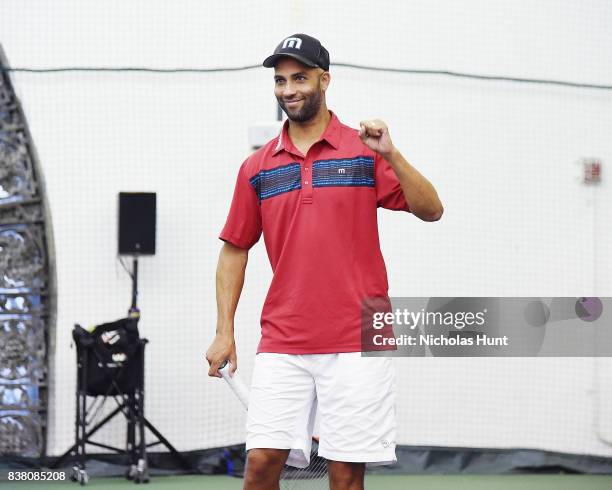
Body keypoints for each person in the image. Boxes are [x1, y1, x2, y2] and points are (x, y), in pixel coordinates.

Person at [206, 33, 443, 490]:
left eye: (299, 78)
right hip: (285, 336)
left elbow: (431, 208)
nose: (289, 89)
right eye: (280, 80)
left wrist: (391, 153)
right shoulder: (256, 168)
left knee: (347, 473)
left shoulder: (364, 150)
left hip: (359, 333)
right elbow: (234, 250)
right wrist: (223, 331)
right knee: (260, 464)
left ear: (324, 80)